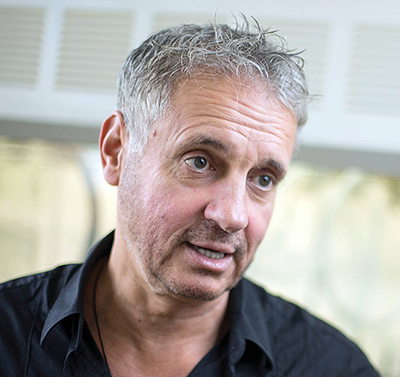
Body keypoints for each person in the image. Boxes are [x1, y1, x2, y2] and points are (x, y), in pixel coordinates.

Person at [0, 18, 380, 377]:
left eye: (263, 179)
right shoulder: (8, 335)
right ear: (116, 151)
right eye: (200, 162)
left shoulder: (333, 367)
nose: (232, 216)